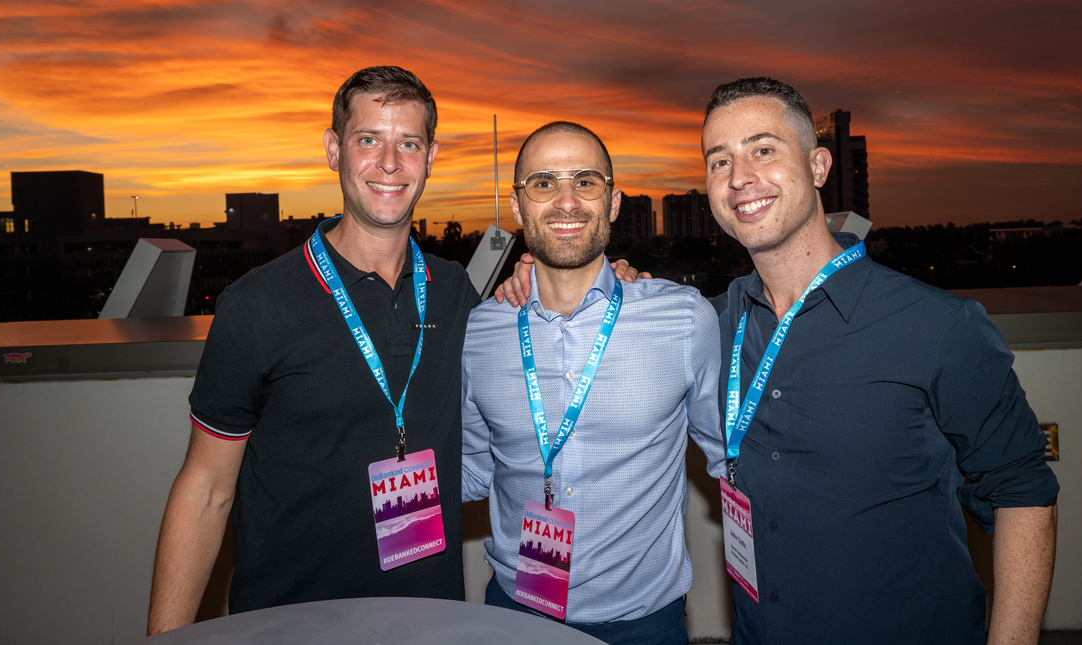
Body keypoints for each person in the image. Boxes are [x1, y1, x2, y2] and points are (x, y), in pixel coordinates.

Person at [702, 77, 1059, 644]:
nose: (739, 177)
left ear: (818, 167)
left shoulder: (939, 326)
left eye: (763, 150)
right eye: (719, 161)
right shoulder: (711, 325)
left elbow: (1023, 490)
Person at [147, 66, 482, 635]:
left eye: (409, 143)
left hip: (430, 622)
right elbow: (206, 491)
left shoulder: (455, 292)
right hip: (293, 625)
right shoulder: (255, 306)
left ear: (431, 158)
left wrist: (611, 278)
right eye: (368, 139)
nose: (390, 163)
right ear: (334, 150)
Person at [462, 122, 725, 645]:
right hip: (512, 617)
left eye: (585, 182)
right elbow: (471, 469)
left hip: (643, 626)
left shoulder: (683, 320)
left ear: (613, 202)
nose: (566, 201)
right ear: (517, 207)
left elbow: (731, 460)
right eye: (543, 183)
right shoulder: (478, 333)